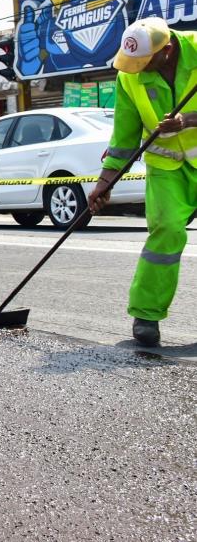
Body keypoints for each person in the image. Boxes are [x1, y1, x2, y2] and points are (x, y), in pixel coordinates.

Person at [88, 17, 197, 347]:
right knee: (165, 229)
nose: (137, 70)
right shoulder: (128, 78)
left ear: (167, 51)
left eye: (144, 62)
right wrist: (104, 182)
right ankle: (147, 315)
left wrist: (187, 120)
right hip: (167, 167)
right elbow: (124, 138)